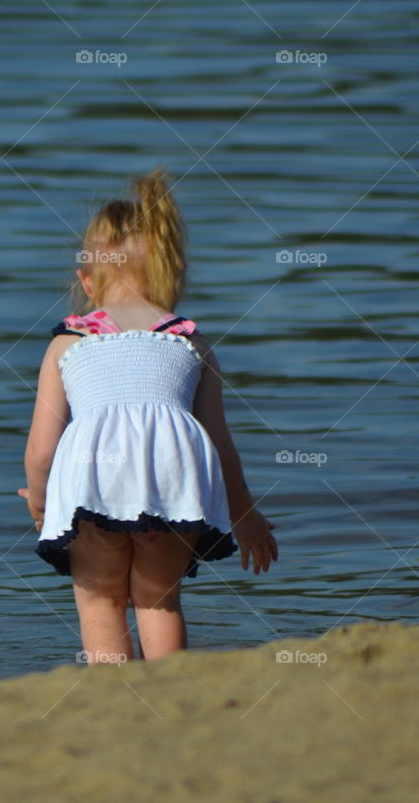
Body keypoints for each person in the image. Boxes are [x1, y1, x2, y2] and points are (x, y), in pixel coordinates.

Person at [18, 168, 277, 664]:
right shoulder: (191, 345)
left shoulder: (67, 344)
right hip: (172, 487)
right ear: (170, 274)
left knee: (101, 599)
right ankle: (172, 689)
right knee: (159, 600)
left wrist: (41, 504)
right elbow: (220, 446)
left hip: (93, 487)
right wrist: (246, 517)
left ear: (86, 281)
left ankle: (113, 692)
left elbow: (43, 449)